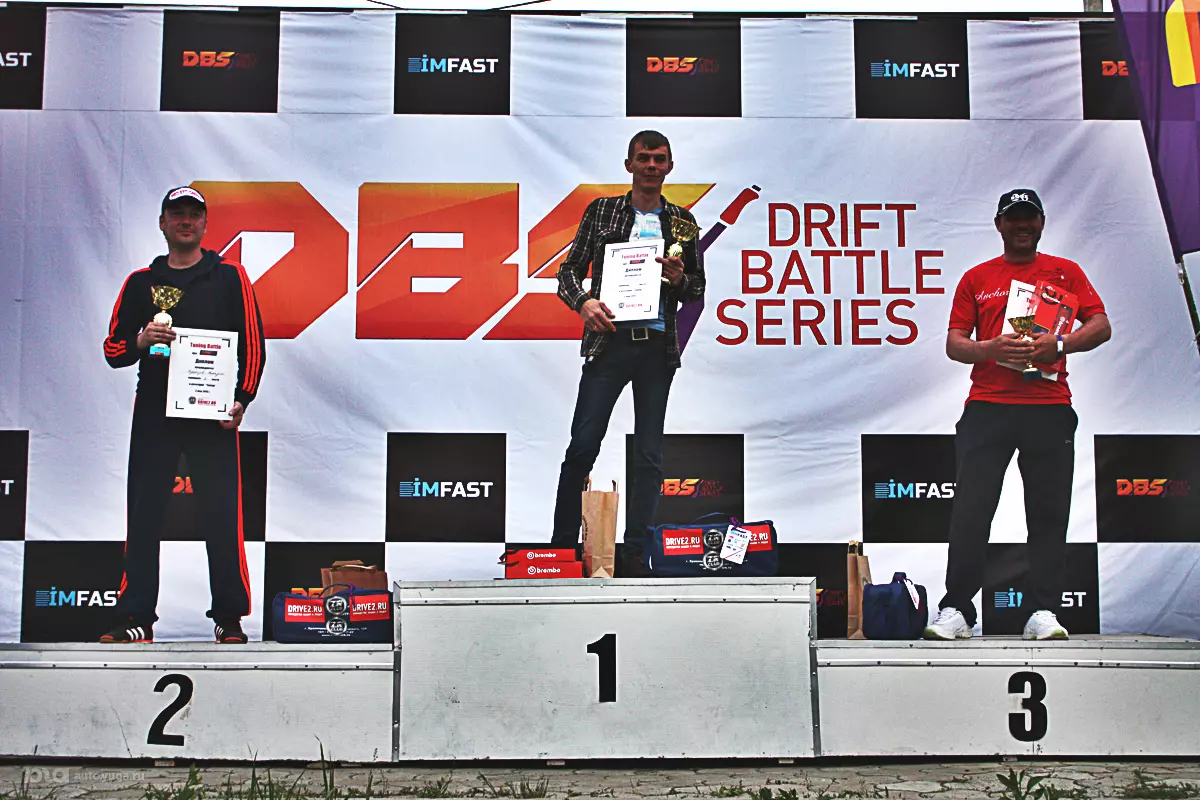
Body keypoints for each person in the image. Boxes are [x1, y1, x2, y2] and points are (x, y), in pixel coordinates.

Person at [924, 189, 1110, 642]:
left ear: (1042, 223)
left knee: (1048, 513)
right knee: (971, 511)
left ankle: (1043, 611)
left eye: (1030, 217)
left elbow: (1101, 326)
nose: (1022, 225)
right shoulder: (977, 277)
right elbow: (954, 343)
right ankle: (957, 609)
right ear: (999, 225)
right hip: (988, 407)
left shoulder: (1066, 272)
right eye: (1014, 218)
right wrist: (990, 348)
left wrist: (1059, 344)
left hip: (1049, 408)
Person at [100, 186, 266, 644]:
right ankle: (135, 617)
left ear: (205, 224)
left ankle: (229, 617)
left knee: (222, 515)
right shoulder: (140, 283)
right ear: (163, 223)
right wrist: (140, 340)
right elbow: (113, 351)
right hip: (154, 412)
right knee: (144, 515)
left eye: (194, 214)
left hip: (212, 414)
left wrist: (242, 399)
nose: (185, 221)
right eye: (177, 214)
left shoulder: (230, 276)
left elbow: (253, 343)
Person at [551, 131, 704, 577]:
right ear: (629, 165)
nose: (651, 165)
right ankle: (560, 552)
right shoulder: (601, 211)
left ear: (670, 167)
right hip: (609, 341)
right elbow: (567, 271)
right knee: (583, 446)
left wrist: (678, 279)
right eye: (644, 158)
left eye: (659, 159)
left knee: (649, 455)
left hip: (657, 347)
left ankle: (636, 553)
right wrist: (583, 302)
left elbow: (696, 289)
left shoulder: (683, 222)